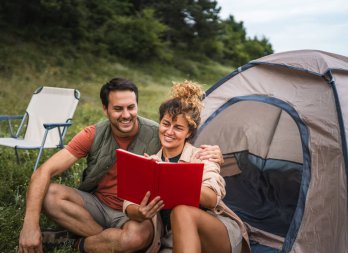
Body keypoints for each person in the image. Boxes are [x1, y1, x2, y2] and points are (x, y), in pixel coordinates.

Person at [18, 77, 223, 253]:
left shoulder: (156, 134)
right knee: (46, 193)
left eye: (131, 107)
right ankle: (108, 243)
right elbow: (43, 171)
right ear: (105, 109)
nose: (126, 115)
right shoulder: (93, 134)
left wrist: (216, 154)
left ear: (137, 107)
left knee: (136, 235)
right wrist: (29, 225)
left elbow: (184, 145)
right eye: (117, 109)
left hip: (134, 218)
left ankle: (78, 243)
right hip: (97, 207)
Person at [124, 80, 250, 253]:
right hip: (172, 240)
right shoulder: (152, 162)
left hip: (216, 234)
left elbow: (212, 198)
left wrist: (171, 178)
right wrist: (140, 211)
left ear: (189, 132)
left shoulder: (203, 156)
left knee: (182, 211)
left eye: (178, 128)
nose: (169, 132)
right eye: (166, 124)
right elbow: (129, 205)